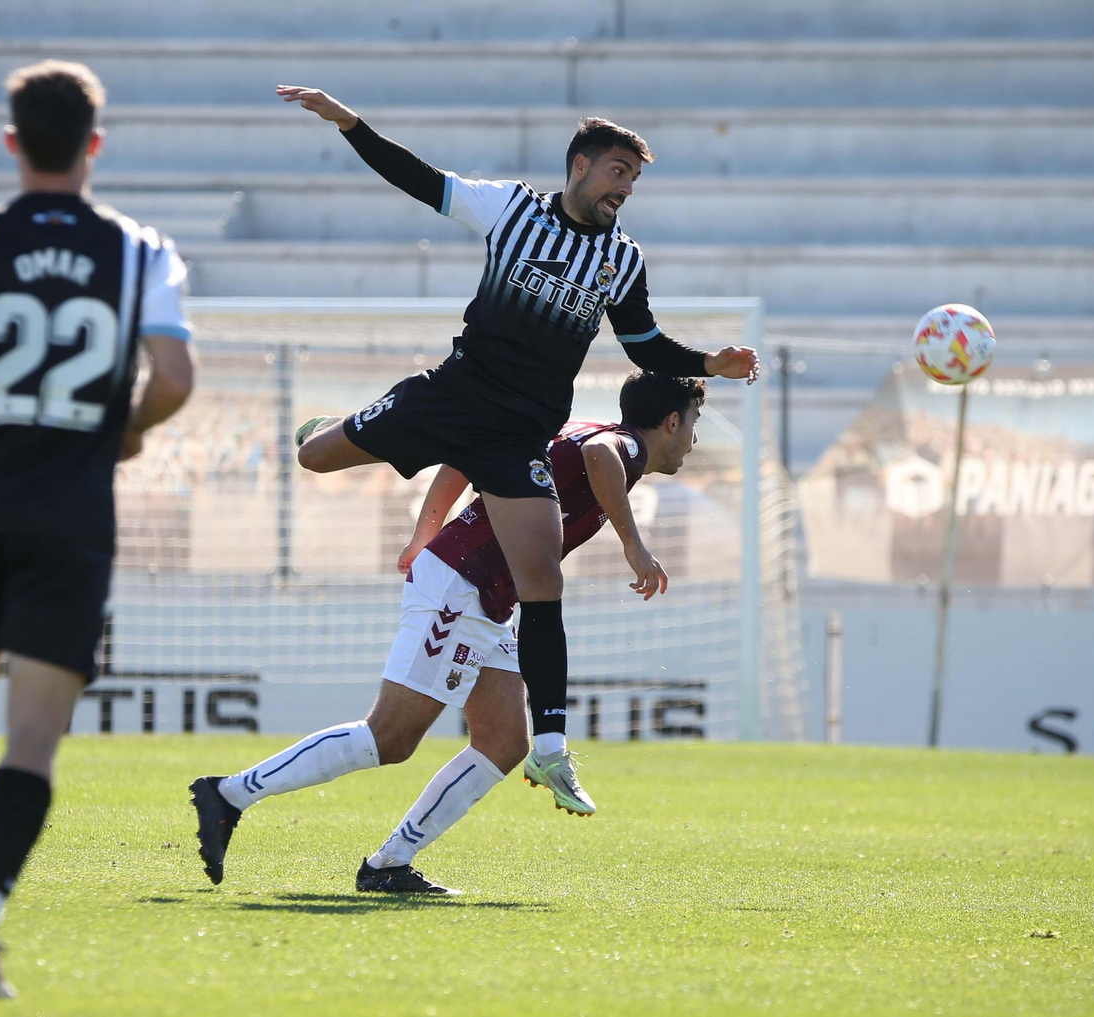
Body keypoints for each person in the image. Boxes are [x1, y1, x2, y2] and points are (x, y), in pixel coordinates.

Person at [276, 83, 758, 814]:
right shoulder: (512, 209)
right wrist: (352, 124)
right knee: (314, 458)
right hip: (452, 394)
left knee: (542, 578)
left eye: (634, 177)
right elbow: (421, 179)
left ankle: (553, 743)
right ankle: (323, 424)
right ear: (580, 166)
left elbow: (644, 346)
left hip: (517, 434)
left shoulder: (622, 262)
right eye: (617, 171)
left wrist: (705, 363)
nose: (625, 187)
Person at [0, 60, 195, 999]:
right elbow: (175, 378)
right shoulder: (141, 251)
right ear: (94, 145)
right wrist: (122, 431)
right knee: (33, 739)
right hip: (70, 517)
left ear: (13, 142)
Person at [191, 372, 705, 894]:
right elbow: (601, 456)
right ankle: (230, 794)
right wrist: (633, 545)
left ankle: (389, 863)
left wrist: (424, 533)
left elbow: (467, 457)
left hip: (484, 595)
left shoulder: (573, 427)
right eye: (693, 424)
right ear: (671, 421)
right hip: (461, 586)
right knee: (389, 736)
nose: (692, 441)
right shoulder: (622, 446)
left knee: (503, 742)